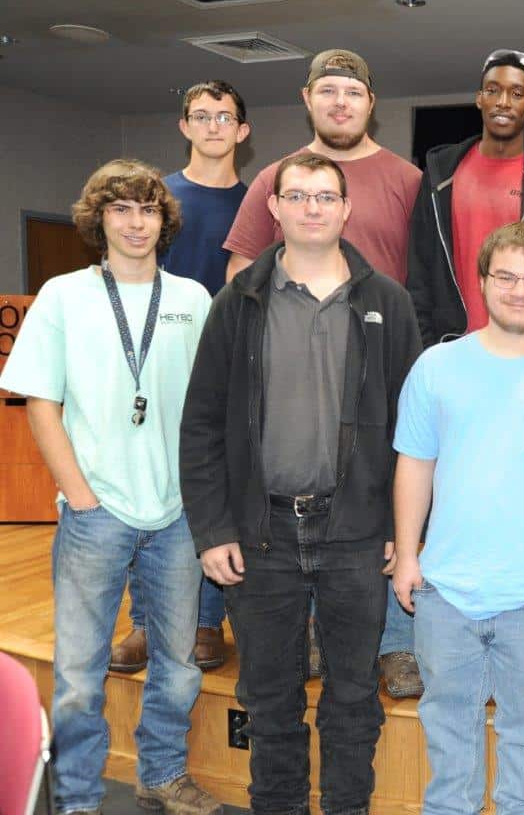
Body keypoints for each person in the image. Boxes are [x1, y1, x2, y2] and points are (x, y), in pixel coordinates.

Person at [181, 152, 422, 815]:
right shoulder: (239, 303)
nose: (312, 207)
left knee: (352, 697)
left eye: (325, 196)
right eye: (298, 195)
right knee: (271, 699)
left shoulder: (387, 303)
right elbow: (201, 422)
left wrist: (408, 535)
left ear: (347, 210)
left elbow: (415, 432)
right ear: (275, 209)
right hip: (260, 538)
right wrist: (213, 529)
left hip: (357, 535)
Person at [1, 159, 219, 815]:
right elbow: (40, 401)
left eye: (147, 209)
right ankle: (76, 799)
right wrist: (83, 496)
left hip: (178, 510)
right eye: (120, 209)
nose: (134, 221)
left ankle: (160, 775)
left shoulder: (192, 300)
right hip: (95, 512)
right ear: (98, 220)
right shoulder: (64, 295)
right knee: (76, 677)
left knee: (178, 667)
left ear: (164, 220)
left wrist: (199, 494)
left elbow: (209, 406)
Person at [220, 47, 424, 697]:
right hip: (293, 365)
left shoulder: (407, 180)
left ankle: (396, 642)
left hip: (378, 367)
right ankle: (305, 629)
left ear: (371, 105)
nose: (340, 102)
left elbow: (423, 279)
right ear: (308, 99)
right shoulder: (273, 180)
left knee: (386, 496)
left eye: (353, 92)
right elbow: (240, 270)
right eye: (328, 91)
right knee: (297, 497)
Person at [391, 222, 524, 814]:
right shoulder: (436, 368)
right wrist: (408, 556)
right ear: (481, 282)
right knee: (449, 746)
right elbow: (415, 464)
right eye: (507, 276)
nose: (520, 290)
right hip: (446, 595)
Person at [112, 79, 250, 676]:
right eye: (202, 115)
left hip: (230, 372)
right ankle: (147, 624)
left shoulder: (258, 202)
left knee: (214, 497)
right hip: (157, 370)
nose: (214, 125)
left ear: (243, 131)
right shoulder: (157, 200)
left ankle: (202, 621)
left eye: (225, 117)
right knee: (152, 498)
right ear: (185, 126)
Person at [406, 48, 524, 350]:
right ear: (480, 98)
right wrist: (427, 349)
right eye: (493, 90)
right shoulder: (441, 174)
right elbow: (420, 274)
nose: (503, 102)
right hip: (454, 350)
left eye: (517, 93)